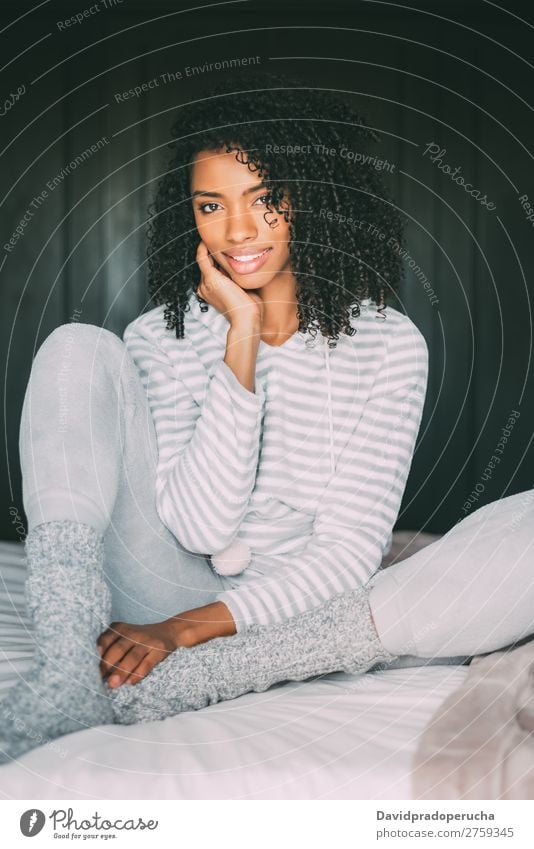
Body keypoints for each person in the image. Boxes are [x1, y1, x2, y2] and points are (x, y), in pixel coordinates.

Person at [2, 74, 531, 762]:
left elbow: (346, 553)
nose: (238, 230)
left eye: (266, 199)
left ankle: (215, 672)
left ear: (311, 198)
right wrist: (240, 341)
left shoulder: (390, 343)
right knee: (76, 346)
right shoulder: (156, 337)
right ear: (187, 214)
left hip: (299, 605)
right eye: (211, 204)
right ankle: (68, 669)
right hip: (166, 574)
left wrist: (191, 631)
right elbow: (200, 527)